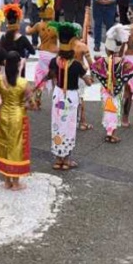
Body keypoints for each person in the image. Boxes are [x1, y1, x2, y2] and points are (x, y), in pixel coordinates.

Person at [49, 22, 91, 170]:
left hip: (57, 95)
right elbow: (89, 82)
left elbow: (51, 76)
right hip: (71, 96)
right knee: (69, 126)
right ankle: (66, 159)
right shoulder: (77, 65)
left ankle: (58, 159)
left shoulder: (55, 61)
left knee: (57, 125)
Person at [90, 25, 133, 144]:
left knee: (108, 109)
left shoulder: (101, 61)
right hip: (117, 91)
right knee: (115, 110)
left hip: (105, 90)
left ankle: (109, 131)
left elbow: (93, 68)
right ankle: (111, 133)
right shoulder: (123, 62)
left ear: (107, 48)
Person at [0, 51, 32, 188]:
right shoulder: (23, 83)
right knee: (17, 147)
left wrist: (2, 108)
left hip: (3, 114)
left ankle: (7, 180)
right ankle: (16, 182)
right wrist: (24, 105)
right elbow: (30, 102)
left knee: (4, 145)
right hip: (18, 116)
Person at [27, 0, 58, 108]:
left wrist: (27, 27)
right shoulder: (56, 26)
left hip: (43, 54)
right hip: (54, 54)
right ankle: (57, 100)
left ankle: (38, 101)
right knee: (55, 77)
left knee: (40, 76)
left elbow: (28, 31)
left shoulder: (38, 25)